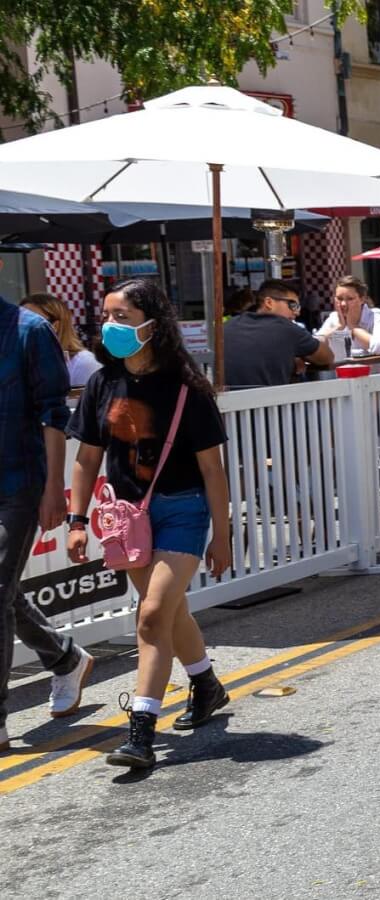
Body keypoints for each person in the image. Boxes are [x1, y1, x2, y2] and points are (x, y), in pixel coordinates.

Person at [66, 279, 232, 770]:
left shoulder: (187, 389)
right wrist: (76, 521)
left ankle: (140, 732)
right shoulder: (103, 382)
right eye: (107, 315)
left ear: (152, 326)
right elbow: (87, 457)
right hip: (125, 516)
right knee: (168, 613)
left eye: (122, 317)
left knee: (152, 615)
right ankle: (205, 684)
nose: (110, 326)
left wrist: (221, 535)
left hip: (182, 509)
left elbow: (212, 470)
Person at [1, 277, 97, 751]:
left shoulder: (29, 329)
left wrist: (53, 488)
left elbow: (53, 413)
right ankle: (65, 658)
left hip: (17, 483)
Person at [224, 280, 334, 389]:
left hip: (227, 404)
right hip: (271, 403)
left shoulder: (228, 326)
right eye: (293, 305)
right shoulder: (286, 328)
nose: (297, 312)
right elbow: (327, 357)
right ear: (269, 303)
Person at [21, 293, 102, 388]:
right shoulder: (19, 362)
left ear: (54, 326)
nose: (22, 326)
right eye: (19, 320)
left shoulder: (84, 363)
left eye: (31, 321)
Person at [315, 275, 380, 359]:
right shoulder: (334, 318)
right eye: (339, 299)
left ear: (362, 299)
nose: (343, 304)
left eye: (350, 299)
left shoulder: (377, 316)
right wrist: (337, 327)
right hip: (344, 371)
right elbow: (312, 347)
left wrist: (353, 327)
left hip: (377, 372)